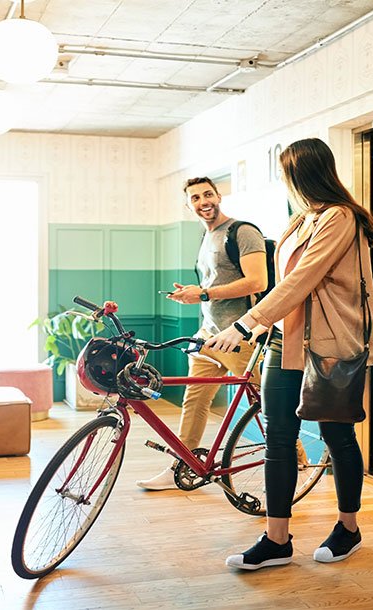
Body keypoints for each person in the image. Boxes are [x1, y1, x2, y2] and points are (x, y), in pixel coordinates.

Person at [206, 138, 373, 570]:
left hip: (330, 346)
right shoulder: (302, 220)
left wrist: (247, 323)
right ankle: (276, 539)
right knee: (279, 439)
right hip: (286, 341)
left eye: (286, 175)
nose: (285, 183)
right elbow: (283, 283)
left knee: (338, 436)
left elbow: (303, 278)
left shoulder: (339, 218)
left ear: (301, 175)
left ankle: (348, 528)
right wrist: (261, 324)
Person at [134, 176, 269, 491]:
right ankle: (180, 466)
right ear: (188, 205)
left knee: (267, 404)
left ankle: (297, 459)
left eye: (208, 194)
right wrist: (192, 296)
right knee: (193, 402)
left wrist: (205, 294)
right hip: (208, 336)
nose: (203, 201)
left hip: (238, 337)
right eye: (195, 198)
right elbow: (212, 284)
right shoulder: (207, 237)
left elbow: (257, 281)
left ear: (218, 195)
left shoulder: (242, 232)